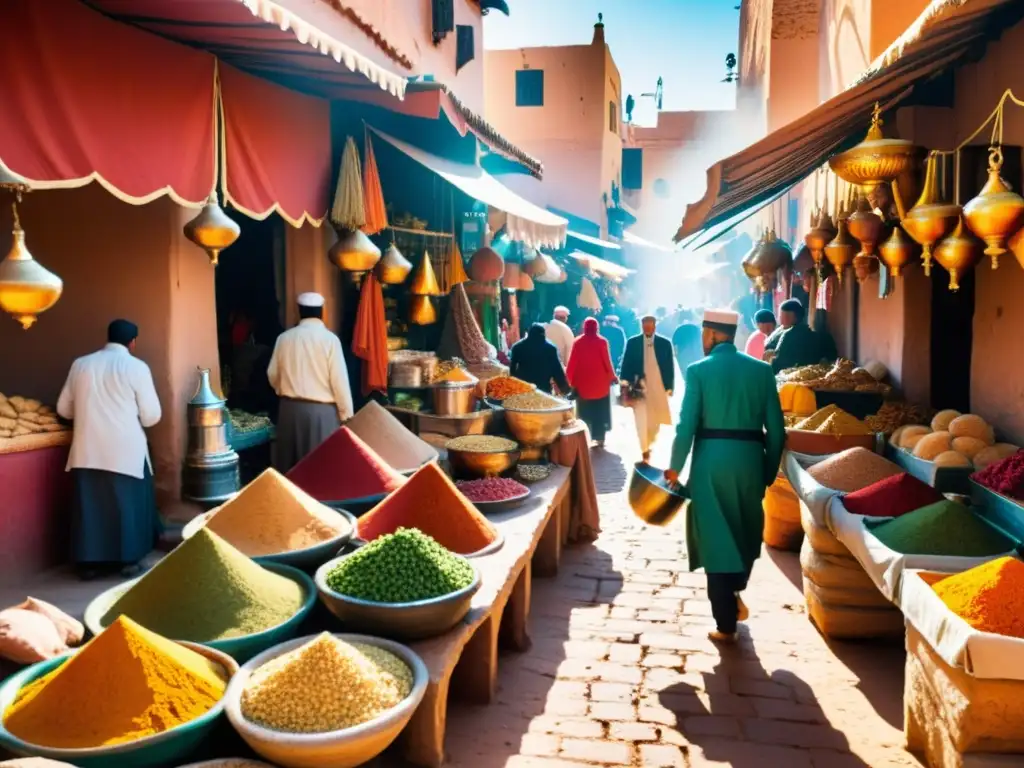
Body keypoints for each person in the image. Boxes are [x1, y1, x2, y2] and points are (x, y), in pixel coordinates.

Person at [665, 309, 785, 643]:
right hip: (749, 462)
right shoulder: (762, 371)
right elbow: (777, 431)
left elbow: (686, 426)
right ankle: (735, 589)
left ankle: (725, 622)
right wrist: (767, 471)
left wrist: (675, 467)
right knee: (745, 529)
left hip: (710, 465)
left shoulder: (698, 371)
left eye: (704, 333)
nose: (702, 339)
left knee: (716, 535)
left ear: (713, 334)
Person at [57, 319, 162, 580]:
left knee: (91, 509)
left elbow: (63, 409)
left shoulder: (80, 364)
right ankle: (127, 562)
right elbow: (151, 416)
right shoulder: (137, 367)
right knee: (126, 507)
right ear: (133, 342)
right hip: (125, 451)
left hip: (87, 449)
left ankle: (89, 564)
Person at [267, 292, 353, 472]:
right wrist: (346, 415)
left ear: (300, 312)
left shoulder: (284, 338)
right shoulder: (330, 340)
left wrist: (286, 391)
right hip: (322, 415)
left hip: (289, 412)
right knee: (320, 471)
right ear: (322, 312)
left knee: (290, 473)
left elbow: (272, 374)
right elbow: (339, 381)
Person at [619, 313, 674, 462]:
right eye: (645, 326)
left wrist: (669, 387)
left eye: (650, 326)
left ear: (655, 326)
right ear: (642, 326)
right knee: (640, 419)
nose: (648, 329)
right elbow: (626, 365)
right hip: (638, 388)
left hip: (658, 388)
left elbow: (669, 367)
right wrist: (624, 384)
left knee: (655, 421)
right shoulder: (632, 342)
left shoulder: (665, 343)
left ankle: (650, 441)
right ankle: (644, 449)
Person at [566, 318, 618, 447]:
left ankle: (584, 436)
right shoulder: (602, 342)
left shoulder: (577, 342)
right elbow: (607, 361)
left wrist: (568, 380)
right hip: (601, 384)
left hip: (583, 384)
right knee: (600, 411)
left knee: (584, 411)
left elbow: (572, 363)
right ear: (597, 327)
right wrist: (612, 376)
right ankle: (599, 437)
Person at [771, 299, 831, 373]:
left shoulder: (788, 335)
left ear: (797, 318)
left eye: (786, 317)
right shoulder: (815, 334)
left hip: (791, 378)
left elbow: (778, 364)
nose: (782, 321)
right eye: (781, 317)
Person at [509, 323, 571, 394]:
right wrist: (565, 389)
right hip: (543, 389)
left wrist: (513, 386)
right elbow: (557, 371)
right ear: (543, 334)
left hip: (523, 388)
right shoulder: (550, 349)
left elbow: (512, 370)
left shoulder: (517, 347)